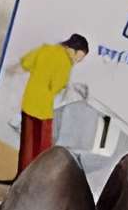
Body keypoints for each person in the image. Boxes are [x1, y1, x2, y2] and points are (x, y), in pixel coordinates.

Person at [15, 33, 87, 170]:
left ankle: (22, 175)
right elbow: (56, 85)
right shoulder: (66, 62)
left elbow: (25, 62)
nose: (78, 61)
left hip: (28, 102)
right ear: (73, 50)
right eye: (80, 57)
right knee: (42, 150)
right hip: (43, 109)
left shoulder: (44, 49)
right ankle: (36, 178)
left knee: (27, 145)